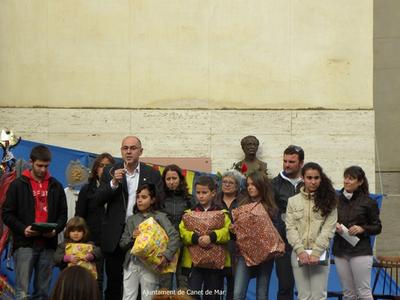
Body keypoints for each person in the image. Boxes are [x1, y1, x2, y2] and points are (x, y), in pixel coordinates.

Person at [96, 136, 162, 300]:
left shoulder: (152, 174)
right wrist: (113, 183)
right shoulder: (110, 171)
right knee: (114, 285)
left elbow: (159, 203)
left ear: (141, 151)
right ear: (121, 151)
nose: (129, 151)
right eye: (125, 148)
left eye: (133, 148)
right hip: (115, 237)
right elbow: (98, 200)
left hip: (142, 236)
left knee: (141, 286)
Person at [2, 145, 68, 300]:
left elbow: (63, 215)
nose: (43, 170)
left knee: (43, 293)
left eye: (46, 166)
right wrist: (23, 229)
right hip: (24, 243)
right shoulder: (17, 185)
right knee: (22, 292)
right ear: (31, 162)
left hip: (48, 245)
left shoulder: (56, 186)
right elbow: (7, 214)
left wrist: (56, 229)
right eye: (39, 165)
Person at [119, 183, 181, 300]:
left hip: (150, 266)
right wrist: (133, 238)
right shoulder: (132, 220)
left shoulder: (161, 217)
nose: (140, 200)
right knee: (128, 297)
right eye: (138, 197)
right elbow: (122, 244)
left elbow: (174, 237)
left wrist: (166, 256)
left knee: (148, 297)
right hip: (131, 264)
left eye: (144, 197)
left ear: (152, 200)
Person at [285, 162, 337, 300]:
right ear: (303, 178)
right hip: (298, 253)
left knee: (319, 295)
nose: (313, 181)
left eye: (316, 178)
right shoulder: (292, 201)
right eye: (309, 178)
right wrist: (299, 250)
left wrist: (316, 252)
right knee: (304, 295)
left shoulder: (330, 201)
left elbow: (328, 229)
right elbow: (290, 228)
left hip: (320, 253)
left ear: (321, 178)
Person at [233, 171, 285, 300]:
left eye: (254, 184)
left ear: (262, 186)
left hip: (266, 256)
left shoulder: (272, 208)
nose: (250, 187)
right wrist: (234, 230)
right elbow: (236, 232)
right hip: (244, 255)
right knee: (238, 293)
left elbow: (277, 231)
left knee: (262, 294)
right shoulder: (242, 205)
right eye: (248, 184)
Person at [332, 166, 382, 300]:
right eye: (345, 177)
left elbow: (377, 227)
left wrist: (363, 229)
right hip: (340, 251)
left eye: (351, 178)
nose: (347, 181)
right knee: (348, 293)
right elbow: (326, 221)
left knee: (364, 292)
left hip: (360, 251)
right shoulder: (335, 200)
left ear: (360, 182)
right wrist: (333, 225)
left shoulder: (368, 202)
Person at [179, 175, 231, 300]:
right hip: (194, 264)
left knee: (212, 296)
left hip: (215, 264)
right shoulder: (189, 213)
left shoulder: (222, 213)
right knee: (193, 295)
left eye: (204, 192)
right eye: (198, 192)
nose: (201, 196)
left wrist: (212, 237)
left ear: (213, 193)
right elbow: (183, 232)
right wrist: (196, 238)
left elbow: (227, 232)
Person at [75, 152, 115, 293]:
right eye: (101, 165)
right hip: (91, 241)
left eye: (108, 166)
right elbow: (79, 217)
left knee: (112, 281)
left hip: (112, 242)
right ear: (95, 168)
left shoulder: (119, 189)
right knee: (93, 280)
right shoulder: (87, 189)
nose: (103, 169)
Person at [271, 145, 305, 300]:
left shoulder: (311, 181)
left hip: (308, 242)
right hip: (284, 244)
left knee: (311, 286)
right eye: (285, 161)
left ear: (301, 163)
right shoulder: (274, 184)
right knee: (285, 287)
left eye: (291, 161)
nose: (287, 164)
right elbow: (271, 213)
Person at [159, 164, 194, 290]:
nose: (171, 182)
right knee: (164, 286)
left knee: (183, 286)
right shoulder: (159, 199)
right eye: (168, 179)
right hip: (166, 248)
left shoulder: (190, 199)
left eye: (174, 178)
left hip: (185, 248)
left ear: (180, 179)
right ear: (164, 181)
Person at [214, 170, 244, 300]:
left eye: (230, 182)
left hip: (236, 248)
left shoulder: (243, 201)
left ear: (237, 186)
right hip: (217, 246)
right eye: (224, 182)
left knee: (233, 286)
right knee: (215, 286)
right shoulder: (214, 199)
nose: (226, 184)